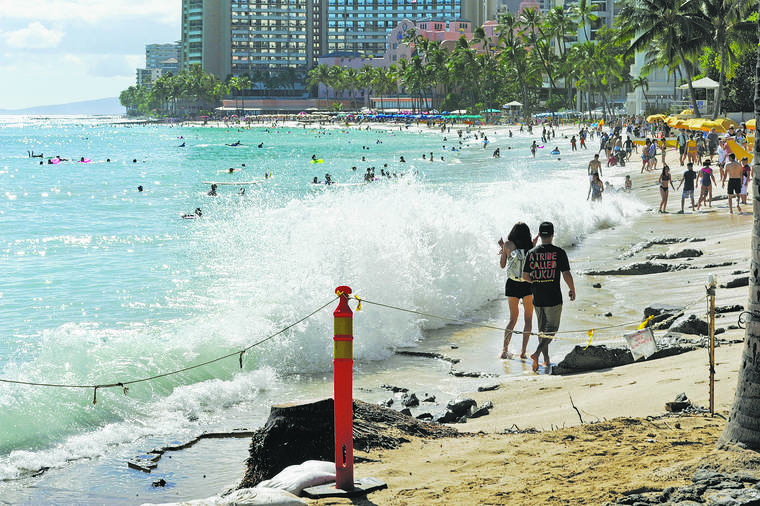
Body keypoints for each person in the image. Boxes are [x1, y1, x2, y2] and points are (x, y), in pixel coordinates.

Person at [522, 222, 576, 373]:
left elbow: (525, 276)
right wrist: (572, 289)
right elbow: (566, 274)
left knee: (542, 330)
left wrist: (537, 280)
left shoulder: (531, 253)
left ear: (539, 235)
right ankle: (537, 354)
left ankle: (546, 361)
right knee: (552, 330)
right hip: (553, 298)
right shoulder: (559, 252)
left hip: (537, 297)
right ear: (553, 235)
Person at [498, 223, 537, 359]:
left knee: (512, 319)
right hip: (527, 284)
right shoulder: (531, 246)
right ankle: (523, 352)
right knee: (528, 319)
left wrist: (503, 249)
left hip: (512, 284)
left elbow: (503, 265)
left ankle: (504, 350)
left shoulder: (508, 245)